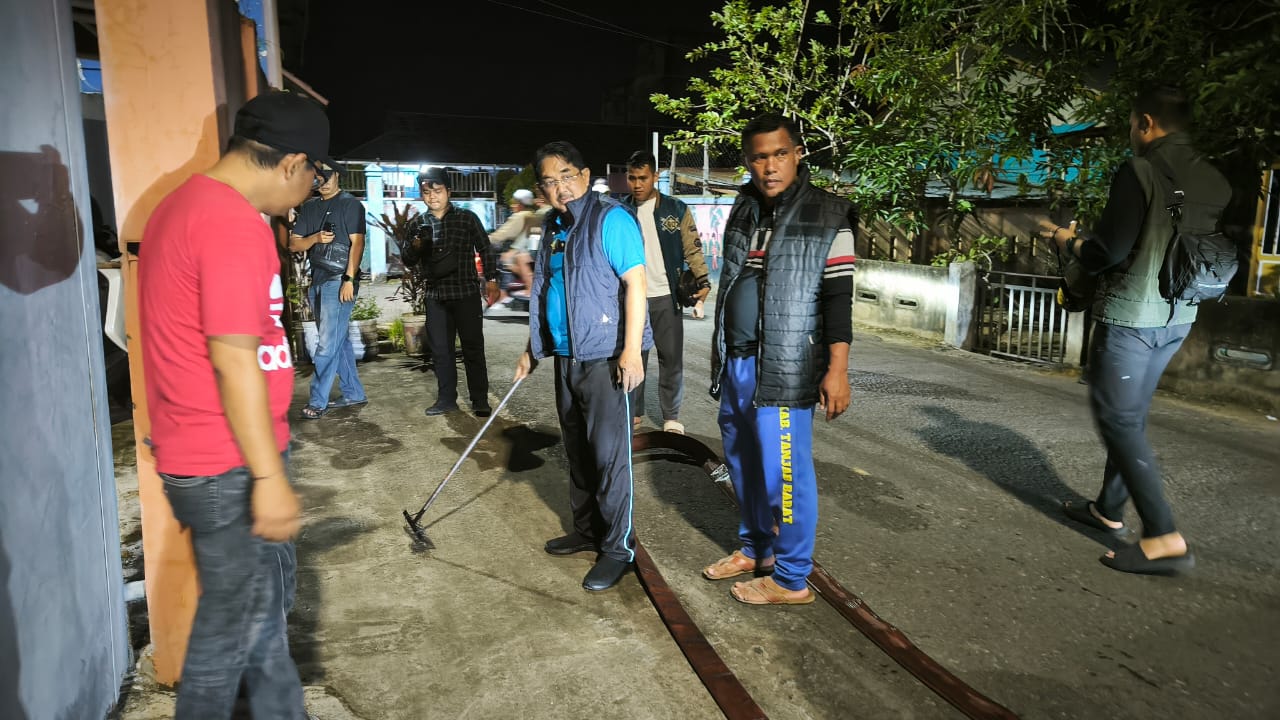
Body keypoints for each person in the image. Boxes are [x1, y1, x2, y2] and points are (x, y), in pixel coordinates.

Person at [138, 90, 318, 718]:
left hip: (203, 453)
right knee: (230, 634)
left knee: (260, 630)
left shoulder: (180, 206)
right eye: (314, 175)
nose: (308, 191)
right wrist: (268, 476)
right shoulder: (233, 221)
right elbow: (235, 356)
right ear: (293, 163)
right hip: (228, 462)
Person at [1041, 85, 1230, 575]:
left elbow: (1108, 252)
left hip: (1133, 317)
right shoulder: (1211, 173)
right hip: (1179, 314)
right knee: (1131, 415)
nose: (1131, 133)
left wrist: (1067, 239)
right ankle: (1108, 508)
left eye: (1131, 124)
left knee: (1119, 420)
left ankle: (1164, 535)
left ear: (1146, 122)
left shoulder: (1140, 170)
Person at [704, 113, 855, 606]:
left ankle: (790, 578)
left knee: (785, 474)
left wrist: (837, 370)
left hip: (785, 367)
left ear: (798, 154)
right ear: (748, 162)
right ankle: (756, 549)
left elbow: (838, 300)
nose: (770, 166)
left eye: (780, 154)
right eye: (759, 157)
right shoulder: (745, 208)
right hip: (737, 362)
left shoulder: (829, 213)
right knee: (742, 463)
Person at [514, 141, 652, 592]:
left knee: (610, 458)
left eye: (568, 176)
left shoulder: (610, 218)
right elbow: (547, 293)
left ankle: (618, 549)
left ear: (586, 174)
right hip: (567, 356)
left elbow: (636, 283)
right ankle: (587, 530)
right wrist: (533, 348)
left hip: (607, 357)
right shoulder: (554, 227)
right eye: (550, 182)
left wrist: (631, 351)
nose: (561, 188)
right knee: (577, 450)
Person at [623, 150, 711, 434]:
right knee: (634, 355)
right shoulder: (620, 211)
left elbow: (692, 248)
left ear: (655, 177)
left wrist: (703, 280)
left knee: (670, 359)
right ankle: (632, 412)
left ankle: (671, 415)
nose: (637, 184)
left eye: (643, 178)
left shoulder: (675, 209)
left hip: (666, 297)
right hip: (631, 300)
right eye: (632, 178)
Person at [405, 167, 500, 417]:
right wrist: (415, 246)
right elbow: (407, 259)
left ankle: (479, 399)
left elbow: (485, 247)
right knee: (441, 351)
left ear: (448, 191)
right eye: (426, 192)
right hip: (436, 296)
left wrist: (491, 278)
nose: (432, 196)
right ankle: (447, 399)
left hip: (465, 292)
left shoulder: (466, 218)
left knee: (473, 348)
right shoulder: (418, 223)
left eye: (437, 190)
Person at [289, 162, 368, 419]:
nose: (323, 180)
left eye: (327, 175)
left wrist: (349, 278)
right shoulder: (310, 207)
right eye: (318, 176)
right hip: (318, 281)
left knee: (326, 345)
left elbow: (358, 243)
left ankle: (318, 401)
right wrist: (314, 239)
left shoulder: (350, 204)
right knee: (339, 341)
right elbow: (294, 244)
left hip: (340, 280)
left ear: (337, 175)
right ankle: (354, 392)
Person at [490, 188, 541, 303]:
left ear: (520, 204)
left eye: (515, 202)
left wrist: (485, 239)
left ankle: (506, 295)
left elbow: (504, 233)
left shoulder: (520, 216)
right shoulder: (531, 214)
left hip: (525, 249)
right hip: (531, 247)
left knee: (505, 261)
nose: (512, 205)